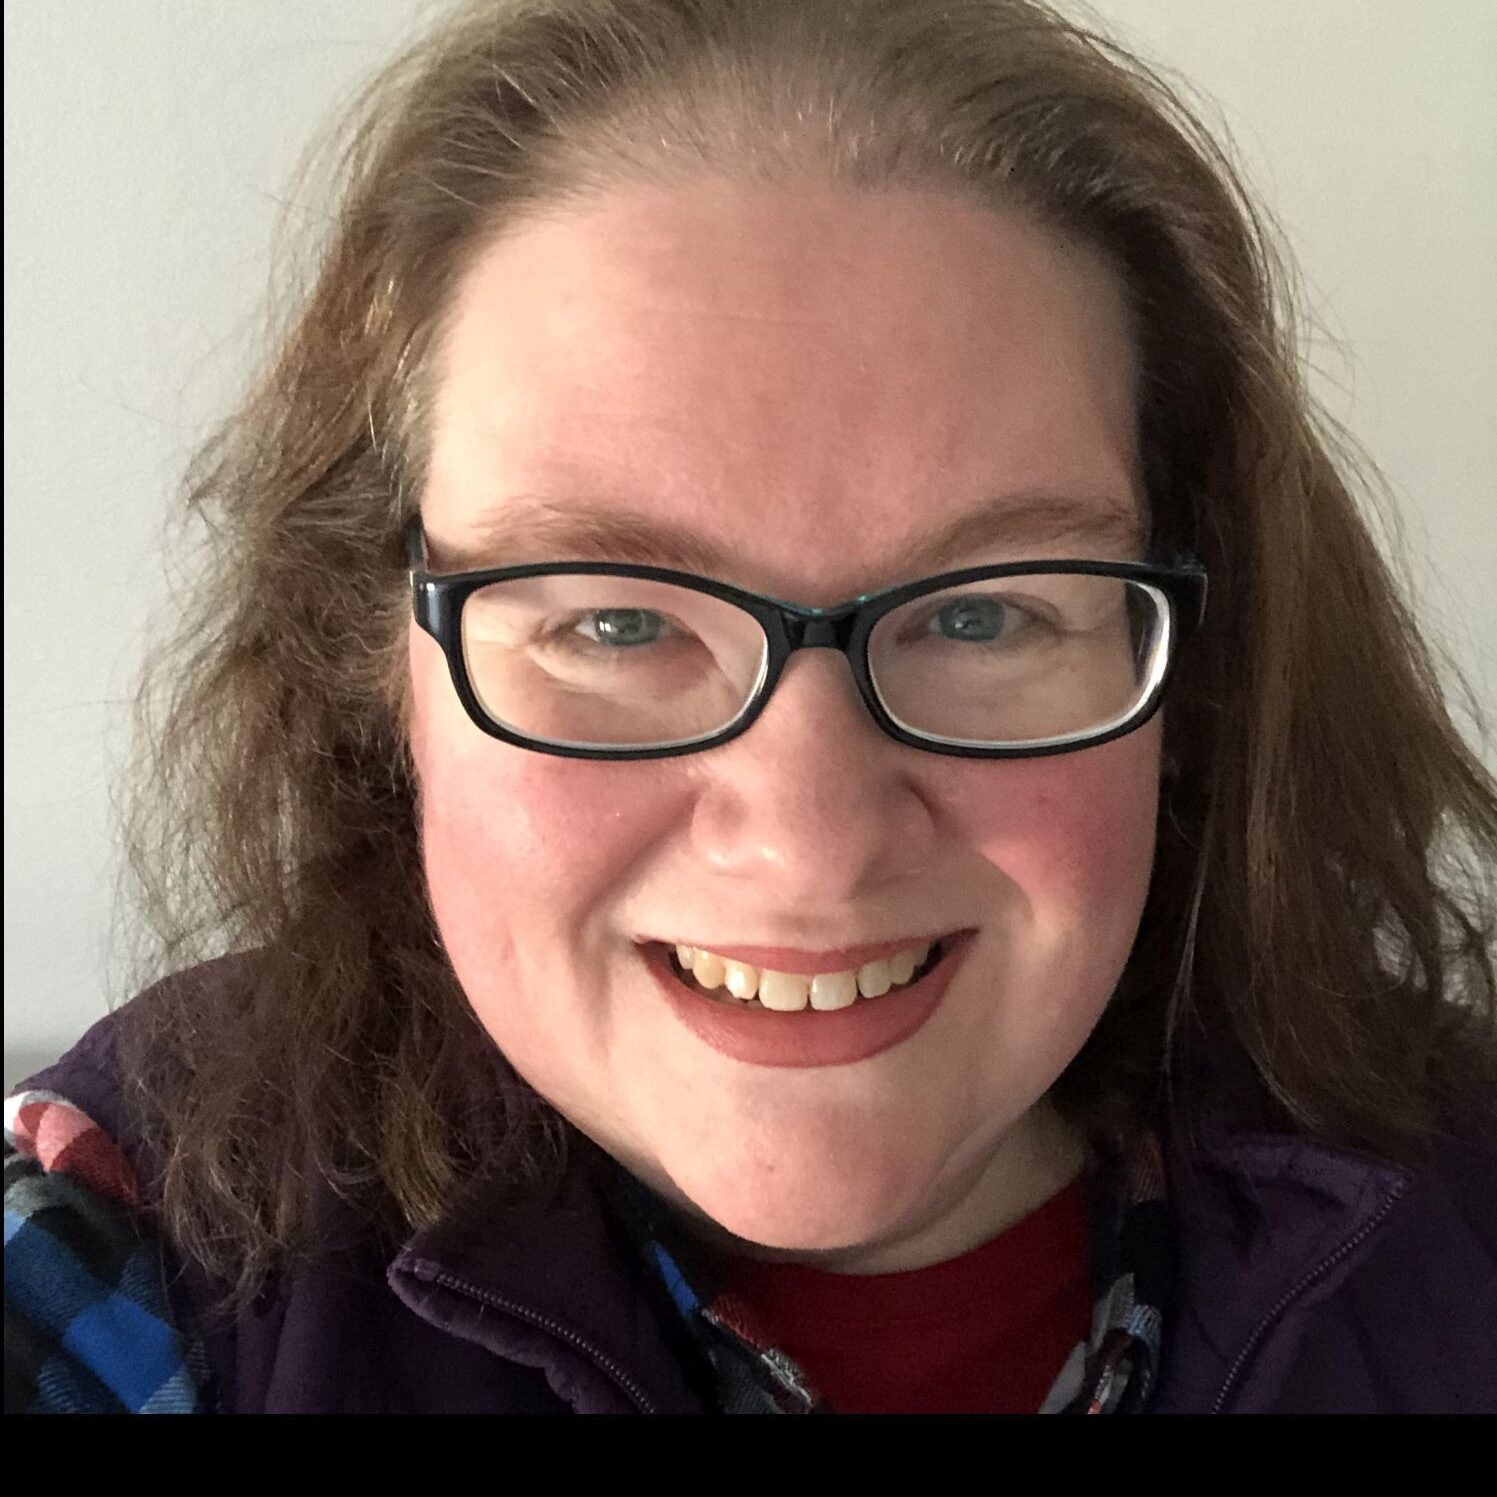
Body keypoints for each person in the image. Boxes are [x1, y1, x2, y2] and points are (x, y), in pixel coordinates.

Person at [6, 0, 1495, 1416]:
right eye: (616, 619)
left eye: (980, 612)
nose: (808, 839)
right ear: (372, 666)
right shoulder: (125, 1238)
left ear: (1189, 662)